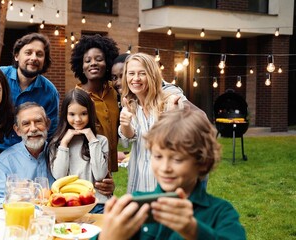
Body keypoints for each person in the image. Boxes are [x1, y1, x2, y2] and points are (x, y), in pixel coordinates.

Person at [98, 108, 246, 240]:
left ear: (203, 163)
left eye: (177, 159)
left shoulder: (220, 213)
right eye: (158, 156)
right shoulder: (137, 206)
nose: (165, 167)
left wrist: (193, 230)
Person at [119, 52, 195, 193]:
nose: (135, 78)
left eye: (142, 73)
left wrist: (171, 115)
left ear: (152, 75)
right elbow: (129, 139)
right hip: (138, 180)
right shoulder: (130, 105)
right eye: (131, 73)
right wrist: (125, 123)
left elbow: (181, 142)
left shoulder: (170, 101)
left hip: (166, 182)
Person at [48, 89, 109, 213]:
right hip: (70, 204)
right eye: (72, 114)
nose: (78, 119)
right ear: (65, 114)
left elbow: (100, 175)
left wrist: (91, 139)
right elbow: (59, 176)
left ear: (90, 114)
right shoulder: (57, 143)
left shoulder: (100, 141)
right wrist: (64, 144)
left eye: (83, 113)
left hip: (98, 204)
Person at [0, 102, 55, 208]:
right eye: (26, 124)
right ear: (18, 130)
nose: (33, 129)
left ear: (47, 125)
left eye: (38, 121)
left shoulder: (59, 154)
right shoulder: (5, 160)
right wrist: (15, 198)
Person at [70, 34, 120, 173]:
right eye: (87, 60)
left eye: (99, 59)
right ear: (81, 66)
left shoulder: (114, 91)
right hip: (86, 164)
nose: (93, 63)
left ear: (108, 63)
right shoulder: (77, 98)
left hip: (108, 162)